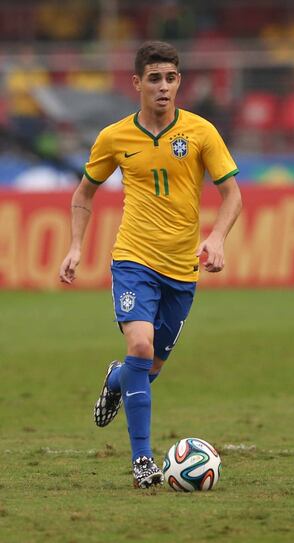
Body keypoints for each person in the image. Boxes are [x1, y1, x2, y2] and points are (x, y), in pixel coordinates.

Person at [59, 41, 242, 489]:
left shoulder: (200, 132)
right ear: (137, 83)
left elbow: (233, 194)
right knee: (140, 346)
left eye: (171, 78)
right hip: (133, 260)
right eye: (155, 78)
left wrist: (216, 237)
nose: (164, 87)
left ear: (179, 81)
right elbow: (84, 193)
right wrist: (75, 246)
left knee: (148, 367)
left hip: (182, 270)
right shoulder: (114, 137)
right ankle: (143, 461)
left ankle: (117, 380)